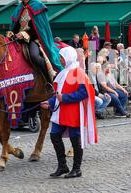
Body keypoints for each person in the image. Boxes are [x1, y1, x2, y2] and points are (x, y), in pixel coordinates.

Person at [41, 46, 98, 179]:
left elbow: (84, 92)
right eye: (60, 57)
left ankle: (77, 169)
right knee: (54, 136)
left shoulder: (79, 73)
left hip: (73, 111)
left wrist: (65, 98)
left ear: (68, 57)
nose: (60, 60)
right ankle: (62, 166)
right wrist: (49, 102)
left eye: (62, 57)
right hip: (61, 111)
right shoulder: (62, 73)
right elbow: (58, 93)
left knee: (75, 139)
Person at [10, 0, 62, 86]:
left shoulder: (37, 6)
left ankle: (48, 78)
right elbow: (15, 26)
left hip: (34, 39)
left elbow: (39, 28)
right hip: (19, 39)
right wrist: (12, 34)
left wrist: (25, 34)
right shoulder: (18, 8)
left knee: (34, 56)